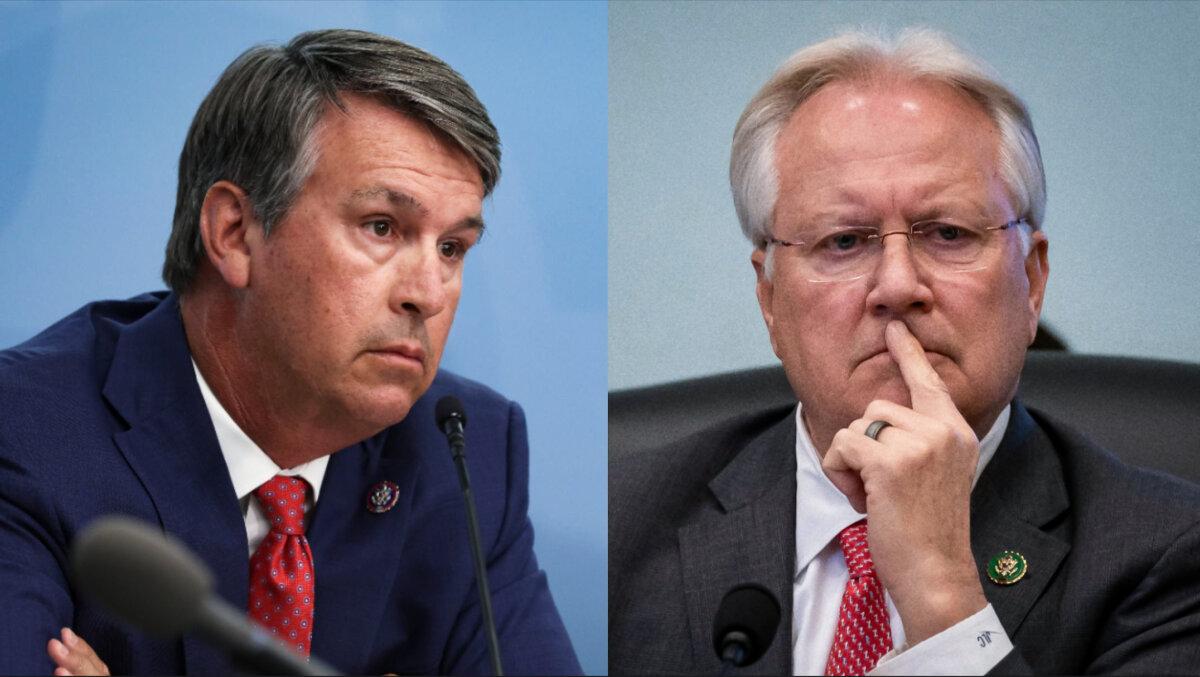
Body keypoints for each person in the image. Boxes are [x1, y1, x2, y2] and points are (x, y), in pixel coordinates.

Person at [609, 28, 1200, 675]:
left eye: (947, 233)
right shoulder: (621, 526)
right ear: (770, 299)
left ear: (1030, 282)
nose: (896, 284)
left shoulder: (1166, 556)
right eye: (844, 241)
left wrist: (940, 592)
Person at [0, 29, 580, 676]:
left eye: (452, 248)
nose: (429, 294)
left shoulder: (469, 452)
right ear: (235, 234)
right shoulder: (25, 431)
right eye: (382, 227)